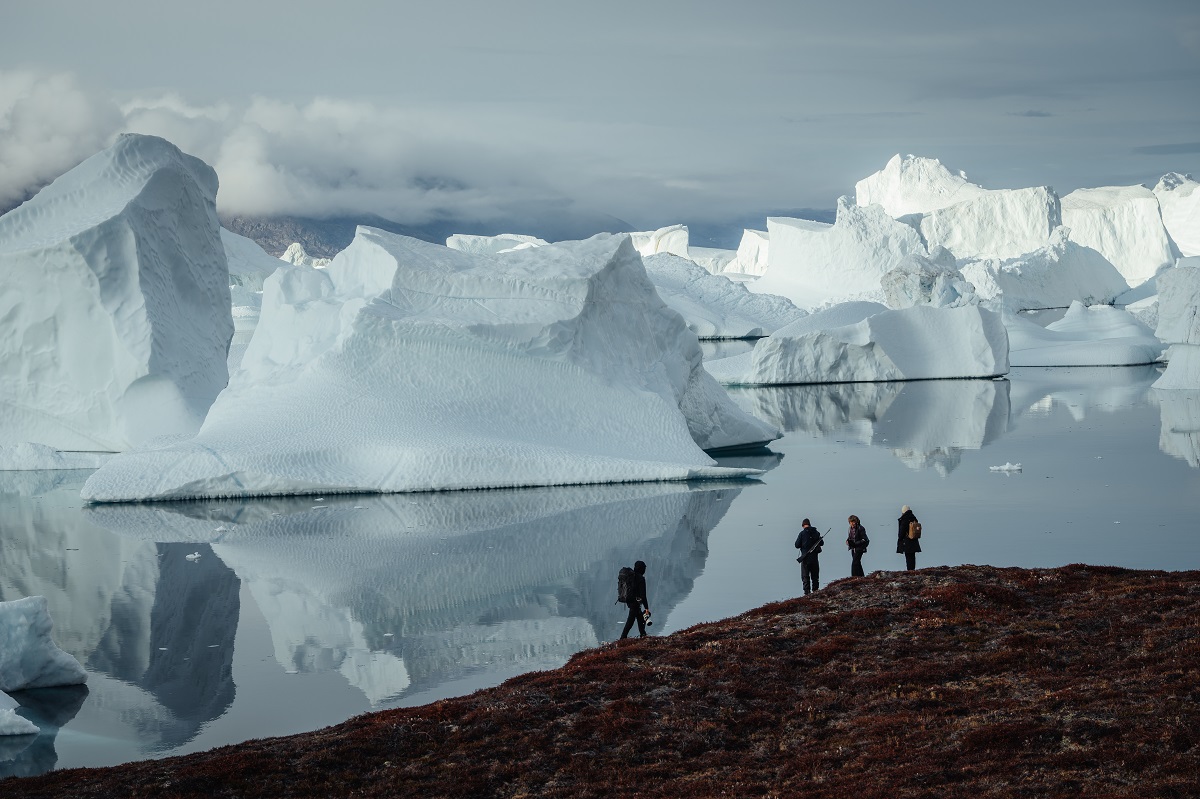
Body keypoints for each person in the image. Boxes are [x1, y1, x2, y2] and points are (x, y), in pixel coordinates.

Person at [620, 560, 651, 639]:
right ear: (642, 569)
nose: (644, 570)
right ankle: (622, 638)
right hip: (635, 603)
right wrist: (646, 608)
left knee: (640, 618)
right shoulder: (641, 579)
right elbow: (643, 595)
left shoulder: (631, 577)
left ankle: (643, 635)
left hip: (630, 601)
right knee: (630, 622)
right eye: (644, 568)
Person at [794, 518, 823, 595]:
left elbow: (797, 545)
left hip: (805, 558)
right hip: (814, 558)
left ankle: (807, 592)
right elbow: (822, 543)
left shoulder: (802, 533)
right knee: (815, 576)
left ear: (803, 525)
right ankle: (815, 590)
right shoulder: (816, 532)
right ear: (810, 524)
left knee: (805, 576)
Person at [897, 504, 921, 571]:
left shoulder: (904, 519)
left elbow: (901, 532)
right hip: (914, 540)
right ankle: (912, 570)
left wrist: (900, 539)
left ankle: (909, 570)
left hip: (907, 541)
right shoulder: (913, 518)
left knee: (908, 557)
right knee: (912, 557)